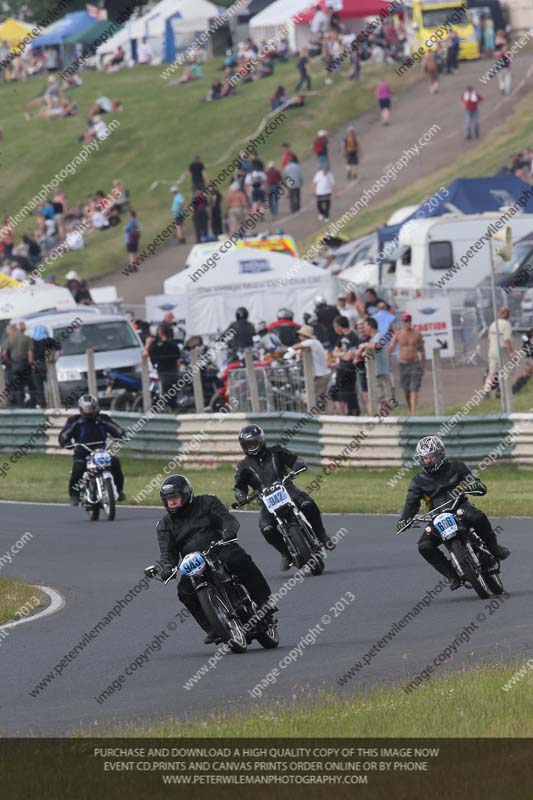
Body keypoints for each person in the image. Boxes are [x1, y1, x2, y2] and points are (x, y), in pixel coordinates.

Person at [155, 475, 274, 644]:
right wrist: (166, 566)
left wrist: (229, 531)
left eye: (175, 498)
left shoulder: (207, 502)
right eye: (168, 500)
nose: (172, 503)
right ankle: (213, 628)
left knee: (237, 559)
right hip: (194, 562)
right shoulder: (164, 525)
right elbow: (167, 551)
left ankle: (264, 601)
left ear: (187, 495)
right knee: (184, 591)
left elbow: (227, 519)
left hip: (219, 547)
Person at [395, 436, 510, 589]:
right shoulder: (418, 480)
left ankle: (494, 548)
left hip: (460, 508)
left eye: (431, 456)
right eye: (424, 457)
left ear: (441, 454)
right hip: (437, 517)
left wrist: (475, 486)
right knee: (424, 546)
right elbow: (411, 503)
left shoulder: (458, 467)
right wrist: (404, 519)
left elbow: (478, 485)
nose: (427, 461)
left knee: (478, 516)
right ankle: (452, 576)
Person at [234, 425, 334, 571]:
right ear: (243, 446)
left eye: (254, 443)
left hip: (287, 489)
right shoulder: (243, 466)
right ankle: (286, 554)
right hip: (265, 499)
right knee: (266, 528)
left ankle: (322, 535)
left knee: (307, 504)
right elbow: (239, 487)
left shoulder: (277, 451)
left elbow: (297, 460)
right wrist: (242, 496)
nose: (252, 447)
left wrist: (297, 468)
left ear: (261, 441)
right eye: (248, 445)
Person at [58, 394, 127, 504]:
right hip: (82, 452)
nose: (88, 411)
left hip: (101, 451)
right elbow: (64, 435)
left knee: (115, 463)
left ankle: (119, 490)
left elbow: (116, 428)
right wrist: (66, 443)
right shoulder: (74, 420)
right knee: (78, 469)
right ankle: (74, 495)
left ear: (95, 408)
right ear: (81, 408)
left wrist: (121, 435)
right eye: (86, 408)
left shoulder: (103, 419)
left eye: (90, 408)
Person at [388, 313, 425, 414]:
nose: (407, 323)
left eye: (408, 321)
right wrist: (387, 355)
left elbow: (422, 351)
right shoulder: (398, 334)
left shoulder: (417, 334)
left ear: (411, 321)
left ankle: (413, 412)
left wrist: (423, 367)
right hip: (403, 364)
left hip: (415, 363)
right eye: (405, 321)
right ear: (402, 322)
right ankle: (409, 409)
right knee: (406, 390)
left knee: (414, 388)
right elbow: (391, 346)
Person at [357, 317, 393, 415]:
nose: (363, 328)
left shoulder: (379, 336)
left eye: (365, 326)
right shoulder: (372, 338)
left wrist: (364, 345)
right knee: (378, 399)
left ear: (370, 326)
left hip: (380, 373)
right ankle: (380, 421)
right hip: (375, 374)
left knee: (384, 400)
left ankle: (383, 421)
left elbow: (377, 345)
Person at [293, 324, 331, 405]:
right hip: (323, 374)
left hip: (320, 375)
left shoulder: (311, 342)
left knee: (311, 398)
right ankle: (322, 415)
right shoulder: (315, 342)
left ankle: (315, 416)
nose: (299, 337)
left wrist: (288, 351)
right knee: (320, 399)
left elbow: (295, 347)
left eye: (300, 335)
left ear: (304, 335)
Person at [331, 316, 360, 416]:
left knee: (348, 393)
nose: (334, 329)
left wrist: (341, 353)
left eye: (335, 327)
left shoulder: (353, 337)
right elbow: (334, 352)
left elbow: (349, 356)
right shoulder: (341, 337)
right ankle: (343, 416)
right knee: (335, 393)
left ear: (339, 326)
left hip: (349, 369)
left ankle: (353, 414)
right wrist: (343, 353)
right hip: (341, 368)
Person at [149, 324, 181, 409]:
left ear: (161, 333)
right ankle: (173, 408)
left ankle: (166, 409)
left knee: (164, 392)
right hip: (174, 371)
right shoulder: (174, 345)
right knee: (173, 392)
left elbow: (152, 354)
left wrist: (148, 345)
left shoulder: (159, 346)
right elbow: (178, 356)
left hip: (163, 372)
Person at [3, 322, 34, 406]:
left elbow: (4, 352)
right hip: (25, 364)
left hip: (14, 364)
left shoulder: (10, 339)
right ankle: (32, 403)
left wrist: (9, 361)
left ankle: (19, 403)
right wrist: (31, 363)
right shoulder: (27, 338)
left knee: (17, 384)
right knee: (29, 383)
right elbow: (30, 352)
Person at [484, 306, 513, 394]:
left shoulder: (493, 324)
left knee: (491, 373)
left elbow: (489, 340)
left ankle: (487, 389)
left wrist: (490, 351)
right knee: (503, 373)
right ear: (508, 315)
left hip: (492, 351)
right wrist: (511, 352)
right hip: (502, 352)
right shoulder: (506, 324)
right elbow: (507, 340)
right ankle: (502, 392)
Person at [31, 325, 60, 408]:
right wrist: (54, 360)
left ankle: (42, 402)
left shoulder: (32, 341)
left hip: (36, 365)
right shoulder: (50, 340)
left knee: (39, 385)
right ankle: (54, 400)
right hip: (48, 365)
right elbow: (58, 351)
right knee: (51, 383)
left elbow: (30, 353)